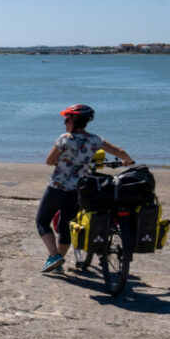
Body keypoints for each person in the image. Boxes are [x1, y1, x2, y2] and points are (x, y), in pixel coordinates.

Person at [36, 104, 134, 273]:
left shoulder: (65, 139)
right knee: (66, 226)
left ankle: (54, 256)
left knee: (42, 221)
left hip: (57, 187)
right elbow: (120, 151)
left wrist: (62, 162)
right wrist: (128, 161)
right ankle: (57, 262)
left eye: (67, 119)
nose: (64, 122)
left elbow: (49, 161)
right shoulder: (95, 140)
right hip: (77, 190)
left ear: (74, 120)